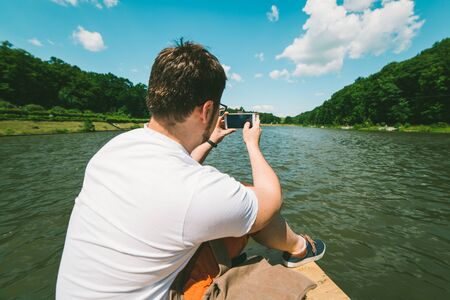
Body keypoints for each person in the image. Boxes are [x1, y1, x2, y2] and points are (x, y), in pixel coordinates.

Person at [56, 40, 325, 300]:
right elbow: (270, 199)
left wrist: (210, 140)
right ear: (207, 110)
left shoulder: (113, 149)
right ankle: (301, 248)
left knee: (228, 213)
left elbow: (172, 176)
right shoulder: (192, 192)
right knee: (245, 197)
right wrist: (252, 145)